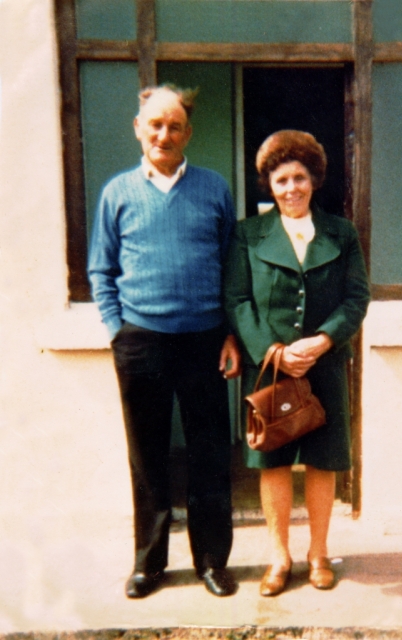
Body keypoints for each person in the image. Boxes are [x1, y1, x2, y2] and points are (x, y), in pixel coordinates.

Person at [88, 85, 241, 598]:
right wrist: (118, 331)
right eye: (155, 124)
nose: (164, 134)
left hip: (203, 340)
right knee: (147, 456)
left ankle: (213, 563)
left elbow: (230, 268)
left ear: (188, 133)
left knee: (209, 453)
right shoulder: (117, 193)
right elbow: (100, 270)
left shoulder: (214, 189)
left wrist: (229, 335)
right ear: (138, 128)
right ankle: (149, 564)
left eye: (174, 125)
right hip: (142, 342)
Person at [224, 130, 370, 596]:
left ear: (314, 181)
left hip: (324, 366)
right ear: (269, 184)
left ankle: (319, 552)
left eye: (300, 178)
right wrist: (275, 351)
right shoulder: (249, 234)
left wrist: (324, 341)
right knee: (274, 459)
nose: (292, 188)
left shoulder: (341, 233)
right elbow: (238, 298)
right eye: (282, 179)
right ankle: (279, 555)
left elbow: (355, 297)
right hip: (269, 367)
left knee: (325, 461)